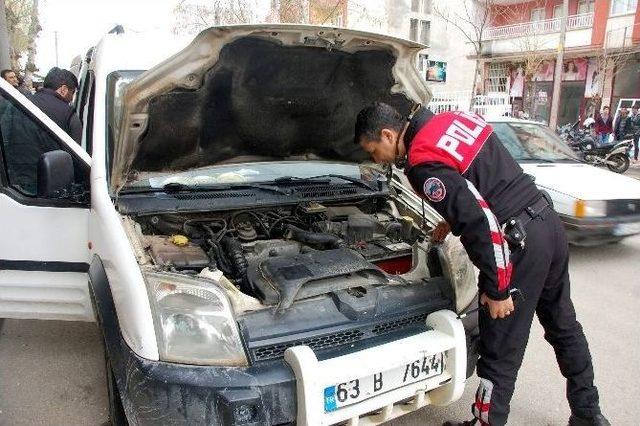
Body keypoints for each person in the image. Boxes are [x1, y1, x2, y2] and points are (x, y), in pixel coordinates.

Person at [354, 102, 609, 426]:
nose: (376, 159)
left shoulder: (421, 162)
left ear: (388, 135)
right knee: (563, 325)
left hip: (515, 242)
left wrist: (497, 287)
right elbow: (482, 181)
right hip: (546, 223)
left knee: (500, 347)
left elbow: (480, 223)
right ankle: (589, 414)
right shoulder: (452, 119)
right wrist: (451, 217)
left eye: (374, 150)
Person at [29, 67, 81, 143]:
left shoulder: (22, 103)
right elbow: (77, 152)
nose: (72, 98)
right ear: (64, 90)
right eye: (72, 92)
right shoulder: (68, 115)